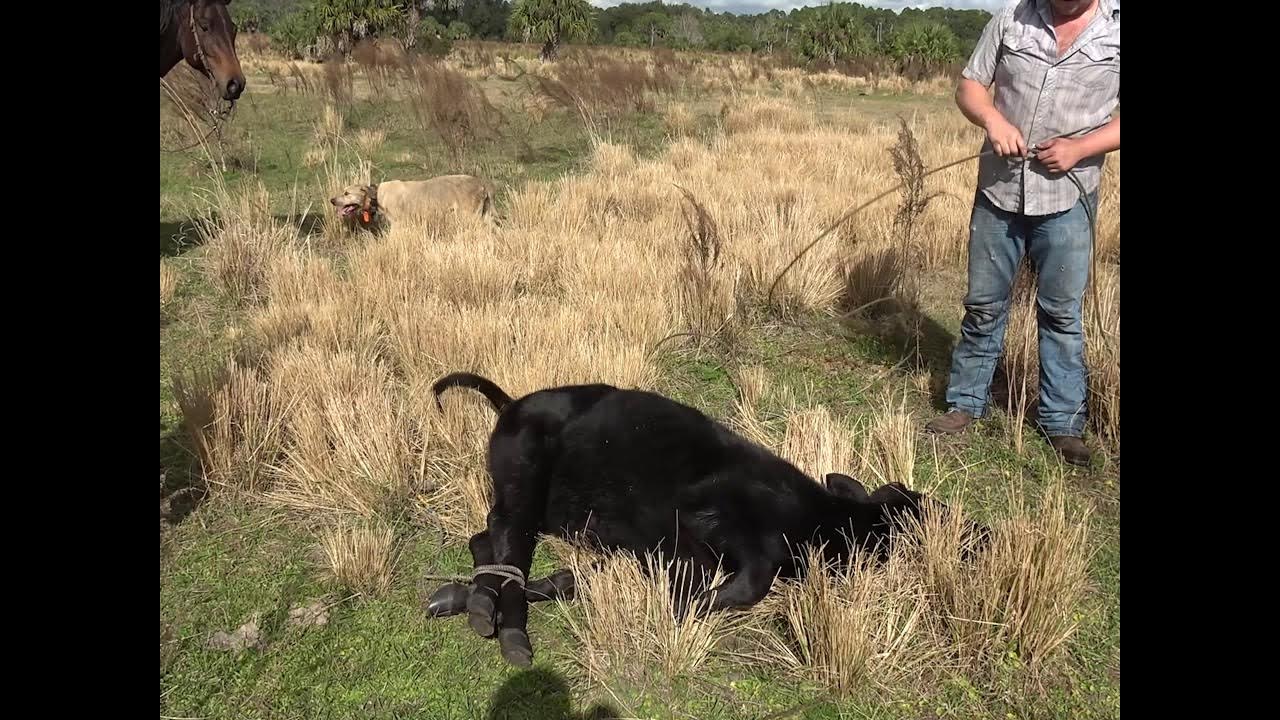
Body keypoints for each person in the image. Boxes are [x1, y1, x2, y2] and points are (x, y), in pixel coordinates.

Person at [924, 0, 1119, 467]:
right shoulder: (1011, 16)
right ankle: (966, 402)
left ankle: (1062, 423)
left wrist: (1080, 148)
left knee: (1061, 314)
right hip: (999, 190)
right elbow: (970, 86)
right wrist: (993, 120)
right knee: (984, 305)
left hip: (1069, 198)